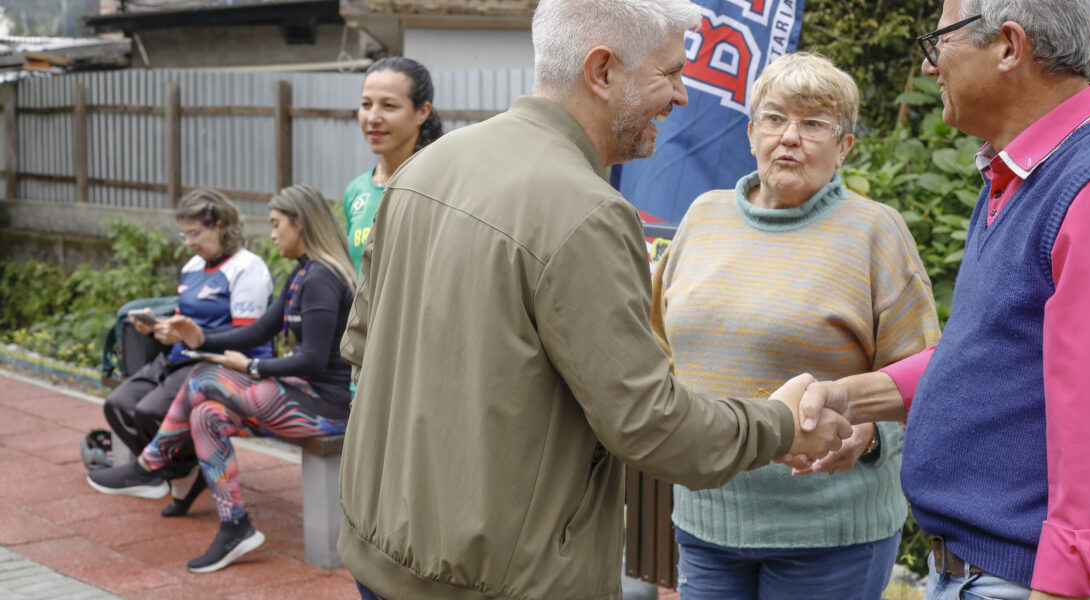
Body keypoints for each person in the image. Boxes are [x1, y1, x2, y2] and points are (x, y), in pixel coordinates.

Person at [337, 1, 854, 598]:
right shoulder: (587, 213)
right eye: (669, 72)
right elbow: (649, 426)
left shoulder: (424, 168)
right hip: (499, 577)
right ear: (602, 71)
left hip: (380, 549)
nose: (682, 95)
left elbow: (364, 346)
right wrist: (781, 423)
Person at [784, 1, 1090, 599]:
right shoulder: (1027, 175)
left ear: (1009, 46)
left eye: (940, 41)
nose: (929, 66)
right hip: (977, 574)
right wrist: (848, 398)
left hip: (1025, 582)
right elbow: (992, 355)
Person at [652, 51, 940, 600]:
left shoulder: (874, 232)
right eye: (774, 118)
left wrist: (871, 434)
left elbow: (926, 375)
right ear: (751, 133)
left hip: (828, 532)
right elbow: (656, 346)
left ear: (844, 146)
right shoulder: (703, 216)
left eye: (813, 124)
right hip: (704, 521)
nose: (789, 137)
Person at [86, 184, 357, 574]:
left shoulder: (322, 278)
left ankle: (149, 466)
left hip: (329, 407)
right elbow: (257, 331)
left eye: (276, 224)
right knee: (206, 416)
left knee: (202, 378)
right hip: (305, 395)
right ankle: (235, 526)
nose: (272, 234)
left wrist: (252, 367)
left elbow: (312, 360)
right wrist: (199, 339)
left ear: (300, 223)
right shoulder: (302, 275)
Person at [101, 188, 272, 516]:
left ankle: (174, 471)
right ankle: (181, 471)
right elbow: (186, 318)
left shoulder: (247, 268)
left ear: (220, 225)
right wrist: (158, 326)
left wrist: (191, 336)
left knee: (149, 411)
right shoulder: (193, 266)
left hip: (215, 363)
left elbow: (246, 336)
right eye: (184, 234)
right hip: (178, 358)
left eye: (195, 233)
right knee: (118, 405)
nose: (189, 242)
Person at [344, 56, 442, 275]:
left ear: (422, 112)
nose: (372, 118)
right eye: (366, 104)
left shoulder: (438, 189)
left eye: (388, 106)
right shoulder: (356, 191)